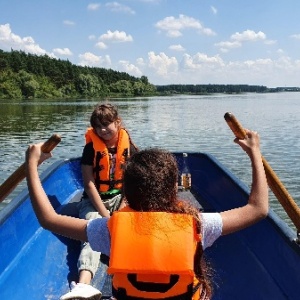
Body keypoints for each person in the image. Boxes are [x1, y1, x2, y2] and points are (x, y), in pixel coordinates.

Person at [25, 129, 268, 300]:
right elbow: (258, 208)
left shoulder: (110, 230)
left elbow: (48, 218)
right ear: (175, 189)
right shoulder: (198, 225)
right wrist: (255, 153)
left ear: (127, 193)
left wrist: (32, 166)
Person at [62, 103, 138, 299]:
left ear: (118, 122)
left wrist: (121, 211)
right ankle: (83, 284)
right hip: (95, 201)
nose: (102, 130)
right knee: (94, 230)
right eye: (98, 126)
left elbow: (132, 181)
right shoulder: (90, 149)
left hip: (121, 198)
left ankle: (133, 272)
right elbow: (89, 185)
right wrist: (107, 217)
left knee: (133, 226)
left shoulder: (129, 146)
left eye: (107, 124)